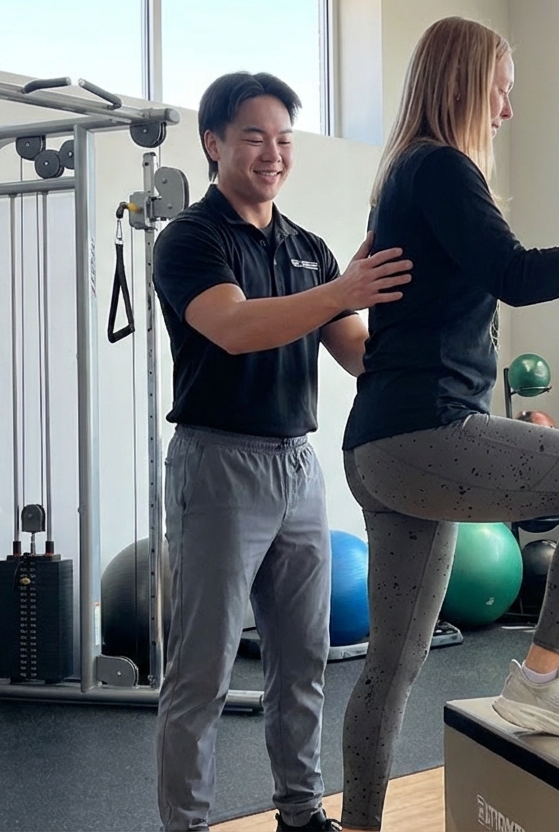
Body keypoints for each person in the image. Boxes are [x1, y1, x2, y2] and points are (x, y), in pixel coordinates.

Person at [337, 17, 559, 832]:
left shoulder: (405, 176)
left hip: (381, 446)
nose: (506, 111)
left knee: (391, 667)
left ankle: (358, 825)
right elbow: (519, 276)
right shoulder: (442, 169)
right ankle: (541, 675)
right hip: (426, 434)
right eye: (502, 90)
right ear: (468, 84)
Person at [152, 71, 411, 832]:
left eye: (284, 140)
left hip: (298, 467)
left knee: (303, 665)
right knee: (201, 672)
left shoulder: (308, 248)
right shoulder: (190, 240)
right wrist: (343, 289)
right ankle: (187, 825)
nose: (273, 154)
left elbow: (358, 354)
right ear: (214, 143)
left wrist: (433, 333)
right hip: (218, 464)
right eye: (255, 137)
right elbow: (235, 327)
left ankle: (300, 814)